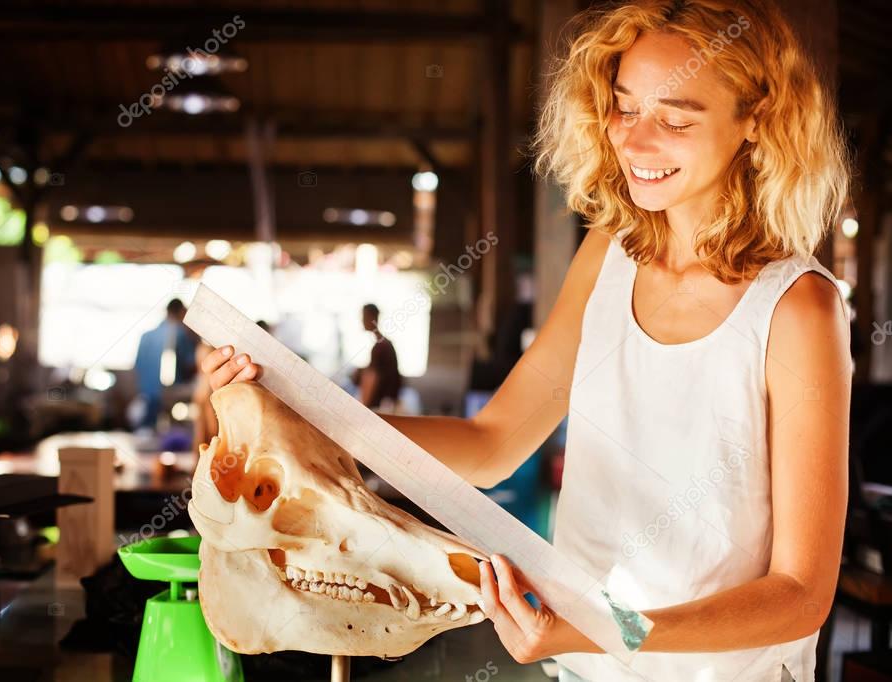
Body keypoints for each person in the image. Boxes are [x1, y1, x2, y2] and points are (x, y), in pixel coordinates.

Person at [198, 1, 851, 679]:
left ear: (756, 120)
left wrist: (606, 631)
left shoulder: (796, 307)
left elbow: (800, 597)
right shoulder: (607, 256)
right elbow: (492, 445)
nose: (633, 140)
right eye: (623, 108)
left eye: (676, 118)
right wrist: (305, 416)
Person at [134, 299, 196, 430]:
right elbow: (191, 365)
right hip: (172, 397)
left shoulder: (146, 336)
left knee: (147, 433)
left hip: (147, 396)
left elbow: (137, 367)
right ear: (181, 313)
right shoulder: (181, 334)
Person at [351, 304, 403, 410]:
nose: (362, 320)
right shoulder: (383, 344)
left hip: (379, 408)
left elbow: (372, 378)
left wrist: (364, 408)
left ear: (372, 318)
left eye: (364, 317)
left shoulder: (380, 346)